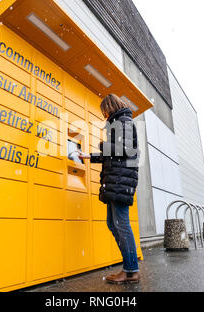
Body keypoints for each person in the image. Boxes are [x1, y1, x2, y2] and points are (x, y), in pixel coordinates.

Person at [79, 93, 140, 284]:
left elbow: (126, 150)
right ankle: (129, 268)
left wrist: (102, 145)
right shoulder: (118, 123)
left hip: (120, 181)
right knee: (113, 224)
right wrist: (89, 156)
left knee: (121, 225)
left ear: (110, 107)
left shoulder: (125, 122)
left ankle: (131, 270)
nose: (104, 115)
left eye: (104, 111)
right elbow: (113, 153)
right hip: (115, 180)